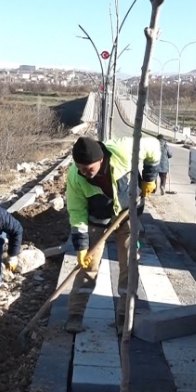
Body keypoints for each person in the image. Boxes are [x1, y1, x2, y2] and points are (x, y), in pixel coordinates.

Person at [65, 136, 161, 334]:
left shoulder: (124, 150)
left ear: (101, 160)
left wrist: (150, 177)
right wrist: (82, 247)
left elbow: (154, 146)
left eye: (88, 168)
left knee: (129, 263)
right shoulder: (75, 176)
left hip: (128, 215)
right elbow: (77, 212)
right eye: (80, 167)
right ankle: (75, 315)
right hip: (96, 221)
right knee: (87, 266)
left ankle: (124, 316)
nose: (85, 173)